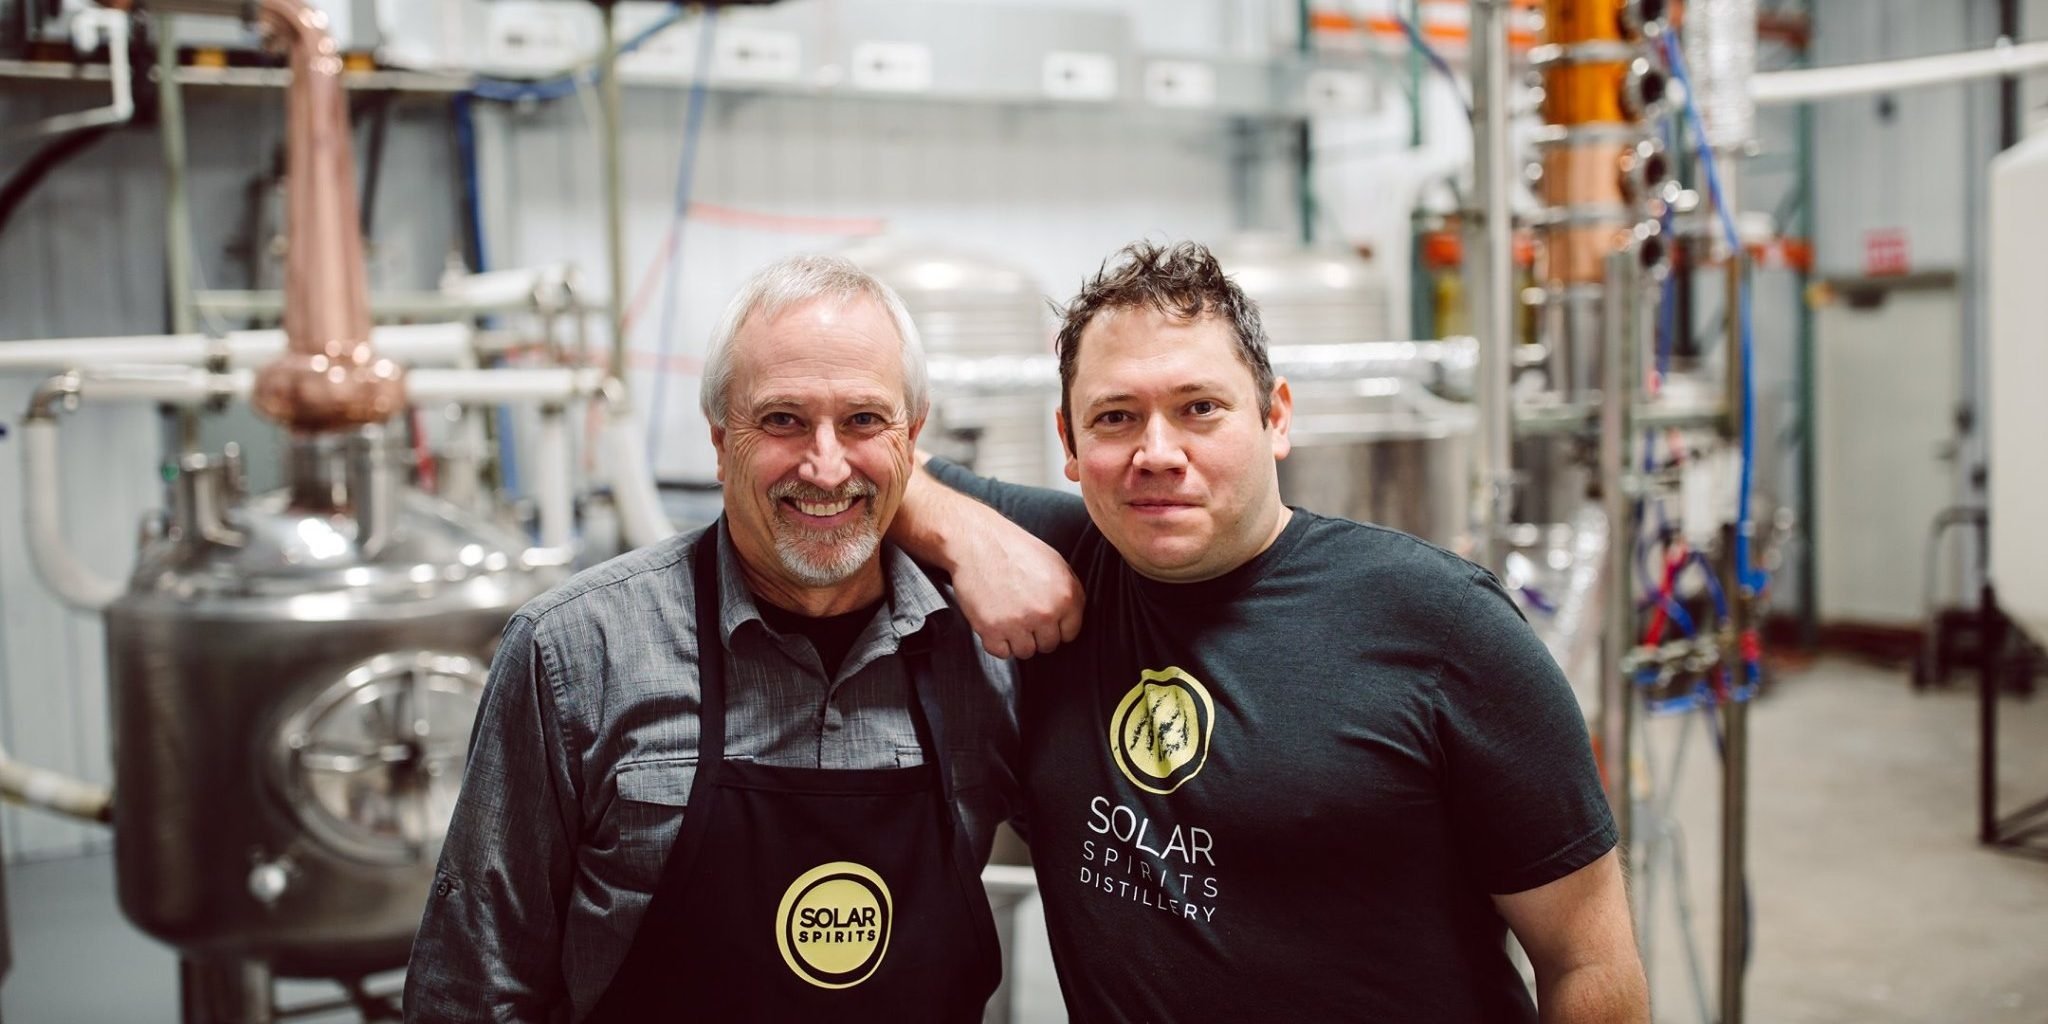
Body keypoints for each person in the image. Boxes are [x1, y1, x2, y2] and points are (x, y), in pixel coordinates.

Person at [893, 241, 1648, 1022]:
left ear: (1275, 416)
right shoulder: (1062, 557)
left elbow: (1588, 957)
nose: (1158, 454)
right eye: (1116, 418)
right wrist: (967, 537)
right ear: (1070, 444)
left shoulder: (1439, 625)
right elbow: (878, 467)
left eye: (1200, 409)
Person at [405, 254, 1032, 1023]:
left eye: (864, 420)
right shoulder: (575, 653)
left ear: (914, 436)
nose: (826, 465)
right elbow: (473, 989)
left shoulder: (990, 653)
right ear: (718, 436)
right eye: (782, 420)